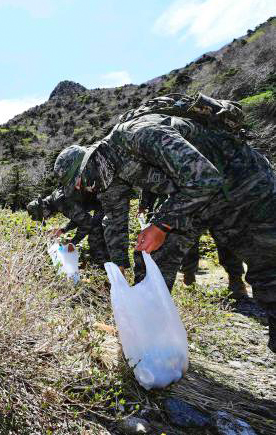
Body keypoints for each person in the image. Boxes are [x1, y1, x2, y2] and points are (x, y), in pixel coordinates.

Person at [54, 93, 276, 353]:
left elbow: (204, 178)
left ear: (91, 160)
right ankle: (150, 337)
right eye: (80, 188)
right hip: (194, 199)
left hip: (245, 186)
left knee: (269, 274)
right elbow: (114, 220)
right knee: (150, 258)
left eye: (82, 181)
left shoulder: (137, 134)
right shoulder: (107, 174)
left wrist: (161, 225)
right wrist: (119, 266)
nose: (86, 189)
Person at [135, 190, 247, 299]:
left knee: (226, 241)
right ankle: (189, 277)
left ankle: (236, 281)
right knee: (186, 244)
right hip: (187, 205)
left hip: (221, 201)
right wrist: (144, 204)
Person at [26, 188, 110, 266]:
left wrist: (73, 243)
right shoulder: (56, 199)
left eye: (45, 216)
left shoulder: (60, 203)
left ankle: (107, 265)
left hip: (105, 199)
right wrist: (63, 230)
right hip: (100, 201)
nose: (48, 218)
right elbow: (77, 218)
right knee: (97, 230)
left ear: (44, 208)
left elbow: (87, 222)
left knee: (95, 237)